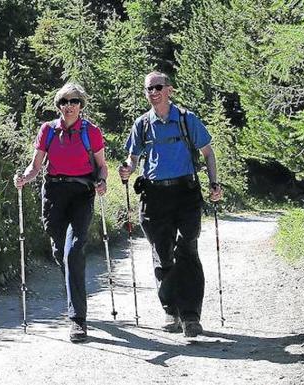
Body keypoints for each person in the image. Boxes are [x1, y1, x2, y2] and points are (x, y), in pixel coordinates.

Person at [118, 71, 222, 337]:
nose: (152, 92)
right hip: (155, 196)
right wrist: (127, 168)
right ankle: (171, 309)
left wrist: (214, 183)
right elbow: (133, 157)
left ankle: (190, 316)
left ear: (169, 90)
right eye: (148, 88)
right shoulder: (142, 124)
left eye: (157, 87)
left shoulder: (187, 120)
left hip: (186, 192)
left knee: (187, 250)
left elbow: (207, 152)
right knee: (162, 253)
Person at [14, 82, 108, 343]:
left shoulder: (92, 132)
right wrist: (24, 178)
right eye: (65, 102)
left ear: (81, 105)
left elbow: (102, 166)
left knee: (74, 250)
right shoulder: (48, 130)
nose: (69, 106)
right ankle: (73, 289)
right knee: (60, 252)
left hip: (82, 193)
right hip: (54, 193)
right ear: (58, 105)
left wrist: (102, 182)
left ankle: (77, 319)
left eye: (74, 101)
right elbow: (35, 166)